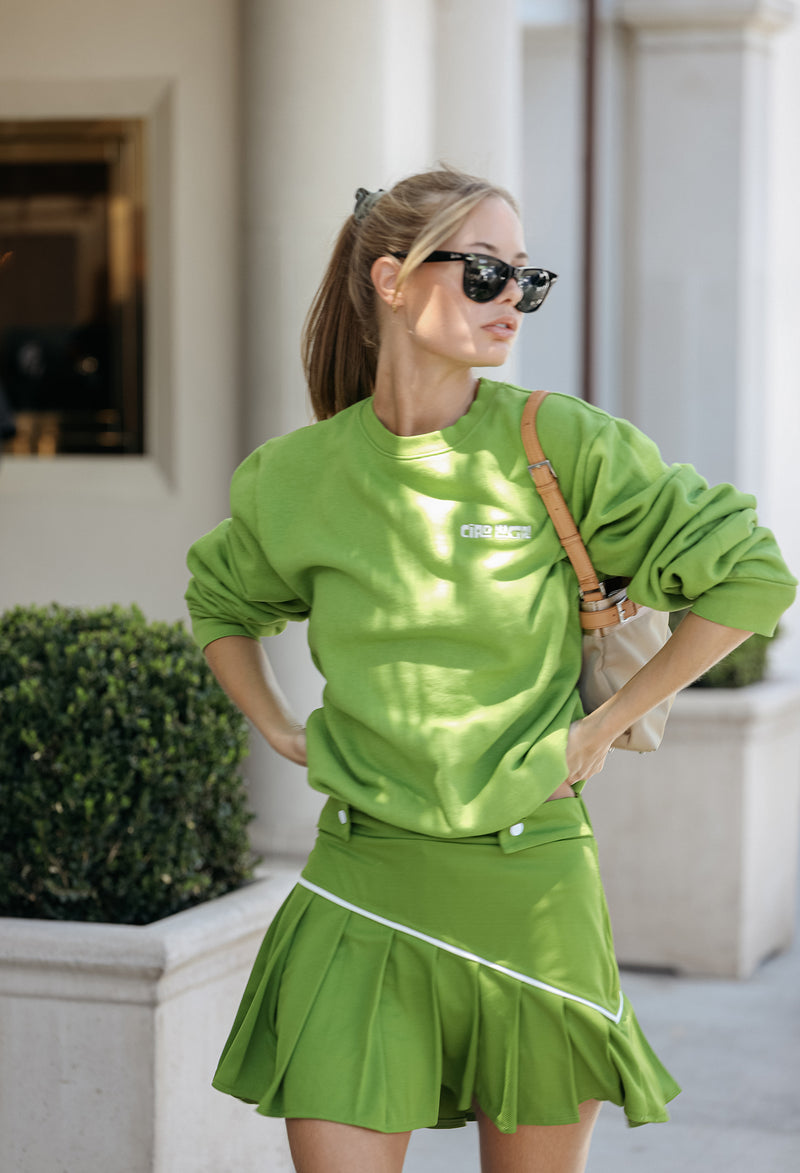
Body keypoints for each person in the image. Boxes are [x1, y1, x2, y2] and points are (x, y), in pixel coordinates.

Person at [185, 166, 796, 1173]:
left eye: (526, 277)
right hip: (360, 885)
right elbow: (220, 602)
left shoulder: (559, 442)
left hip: (531, 891)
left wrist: (602, 727)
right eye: (483, 272)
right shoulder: (292, 476)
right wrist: (275, 723)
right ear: (390, 279)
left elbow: (751, 575)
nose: (511, 297)